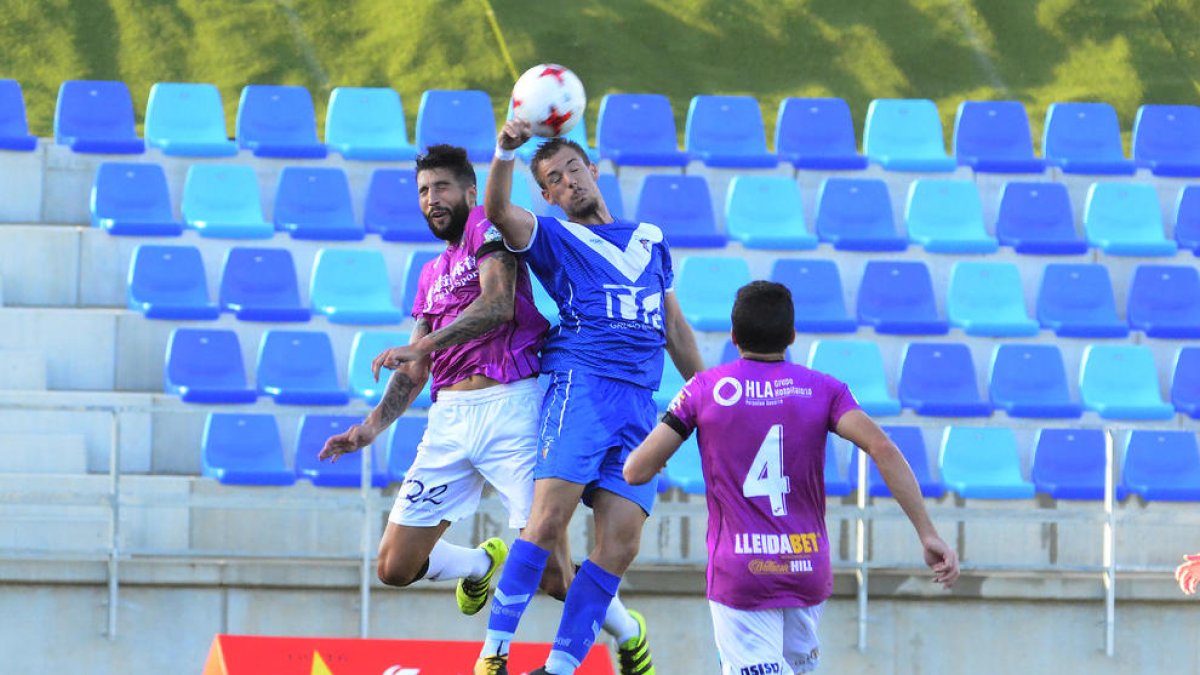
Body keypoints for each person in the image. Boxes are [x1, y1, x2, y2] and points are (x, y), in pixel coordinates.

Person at [319, 145, 649, 653]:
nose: (432, 199)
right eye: (424, 191)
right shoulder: (430, 274)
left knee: (554, 576)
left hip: (511, 408)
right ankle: (478, 563)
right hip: (449, 420)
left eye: (442, 187)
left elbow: (497, 304)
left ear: (470, 192)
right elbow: (416, 366)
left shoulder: (485, 229)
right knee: (394, 567)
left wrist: (423, 344)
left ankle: (628, 633)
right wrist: (370, 427)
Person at [624, 281, 960, 675]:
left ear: (733, 337)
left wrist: (655, 457)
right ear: (791, 336)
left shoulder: (705, 389)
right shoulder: (825, 390)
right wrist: (927, 532)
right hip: (806, 569)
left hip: (741, 574)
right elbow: (882, 448)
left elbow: (635, 471)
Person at [474, 120, 705, 675]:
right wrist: (506, 150)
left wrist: (709, 395)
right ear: (548, 196)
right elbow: (499, 212)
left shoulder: (650, 238)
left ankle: (559, 668)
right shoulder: (554, 236)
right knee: (548, 520)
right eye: (554, 179)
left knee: (621, 545)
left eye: (574, 168)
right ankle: (493, 653)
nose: (569, 181)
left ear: (594, 171)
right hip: (581, 387)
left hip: (639, 408)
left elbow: (672, 326)